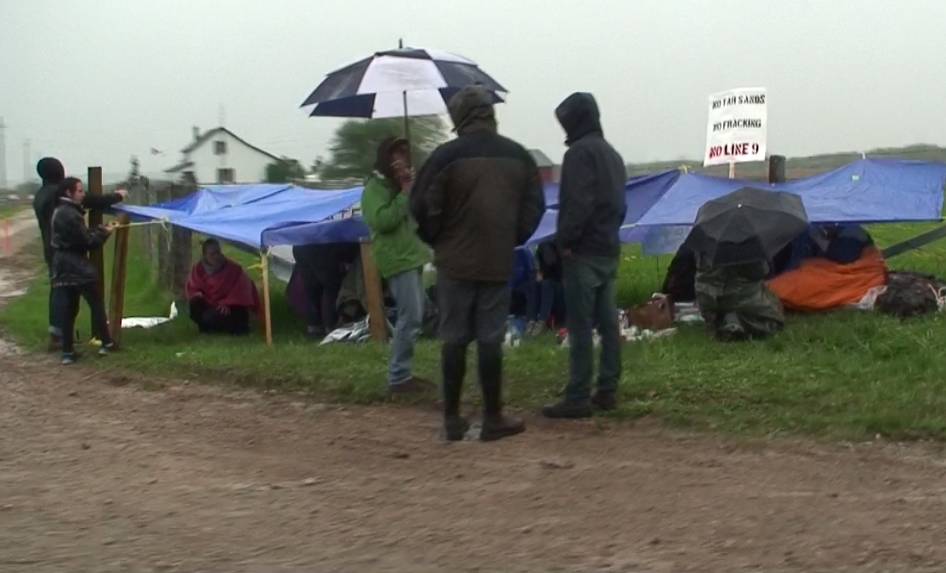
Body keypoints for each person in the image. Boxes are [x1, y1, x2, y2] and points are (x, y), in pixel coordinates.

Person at [411, 85, 545, 441]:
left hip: (453, 263)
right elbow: (535, 207)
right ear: (490, 112)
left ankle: (452, 420)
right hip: (497, 259)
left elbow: (421, 207)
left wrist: (438, 239)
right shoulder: (519, 156)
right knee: (490, 337)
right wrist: (510, 237)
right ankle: (492, 418)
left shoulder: (444, 157)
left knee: (453, 338)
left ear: (459, 116)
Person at [542, 93, 627, 419]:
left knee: (579, 327)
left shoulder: (579, 154)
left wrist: (565, 242)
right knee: (608, 324)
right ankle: (607, 390)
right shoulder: (612, 155)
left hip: (583, 252)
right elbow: (620, 205)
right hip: (608, 247)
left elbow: (577, 205)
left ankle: (577, 396)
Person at [361, 137, 433, 394]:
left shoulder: (399, 186)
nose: (401, 160)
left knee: (417, 315)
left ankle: (402, 373)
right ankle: (399, 376)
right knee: (410, 317)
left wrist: (411, 189)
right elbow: (382, 221)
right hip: (396, 258)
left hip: (412, 255)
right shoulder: (373, 188)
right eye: (396, 155)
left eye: (404, 154)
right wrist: (403, 194)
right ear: (385, 158)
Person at [33, 157, 126, 349]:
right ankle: (98, 340)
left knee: (60, 292)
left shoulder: (41, 195)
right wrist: (116, 197)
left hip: (53, 251)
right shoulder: (57, 197)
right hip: (70, 252)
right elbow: (91, 201)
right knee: (78, 298)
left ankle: (60, 338)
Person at [49, 177, 118, 365]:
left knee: (68, 309)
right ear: (68, 193)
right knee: (95, 303)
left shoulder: (59, 211)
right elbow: (88, 242)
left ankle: (67, 352)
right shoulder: (70, 214)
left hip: (61, 265)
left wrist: (96, 230)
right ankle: (107, 342)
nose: (83, 194)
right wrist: (105, 232)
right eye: (79, 191)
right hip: (77, 265)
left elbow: (80, 235)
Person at [185, 239, 259, 335]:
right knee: (196, 305)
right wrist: (198, 294)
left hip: (230, 307)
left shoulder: (233, 269)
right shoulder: (198, 269)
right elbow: (192, 287)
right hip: (210, 306)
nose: (216, 256)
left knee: (235, 315)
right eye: (212, 254)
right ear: (205, 255)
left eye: (218, 252)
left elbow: (243, 289)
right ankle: (206, 328)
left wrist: (228, 302)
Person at [292, 242, 359, 338]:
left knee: (311, 286)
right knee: (330, 286)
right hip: (322, 244)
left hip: (302, 243)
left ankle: (314, 327)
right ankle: (331, 327)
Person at [530, 240, 566, 335]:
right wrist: (540, 272)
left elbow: (555, 267)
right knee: (537, 284)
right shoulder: (543, 246)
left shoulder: (563, 246)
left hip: (562, 287)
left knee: (546, 284)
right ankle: (533, 320)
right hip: (552, 284)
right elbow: (546, 267)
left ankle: (541, 321)